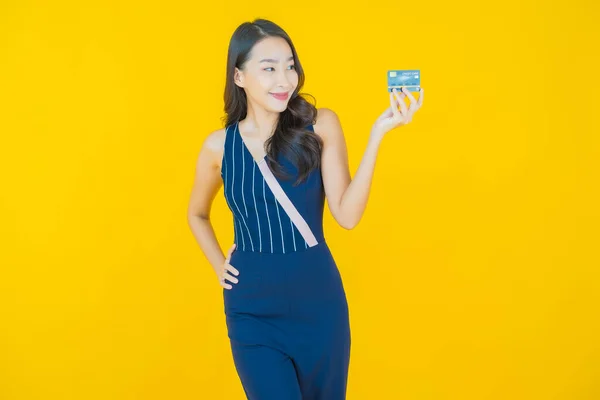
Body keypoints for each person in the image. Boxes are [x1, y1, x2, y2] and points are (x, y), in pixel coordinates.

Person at [187, 18, 424, 400]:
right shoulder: (219, 148)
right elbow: (197, 213)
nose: (285, 79)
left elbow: (347, 216)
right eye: (269, 68)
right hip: (252, 310)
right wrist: (219, 265)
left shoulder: (320, 126)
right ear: (239, 76)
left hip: (319, 304)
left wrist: (378, 135)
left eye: (290, 65)